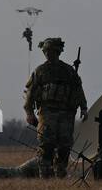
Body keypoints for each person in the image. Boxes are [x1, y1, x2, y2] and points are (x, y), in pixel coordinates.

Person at [23, 37, 88, 178]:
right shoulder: (40, 71)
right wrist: (29, 113)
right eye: (46, 51)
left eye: (51, 51)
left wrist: (83, 107)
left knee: (64, 146)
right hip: (47, 113)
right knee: (46, 145)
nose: (48, 54)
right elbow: (30, 93)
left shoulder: (68, 71)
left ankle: (60, 173)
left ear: (57, 52)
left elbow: (78, 90)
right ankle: (45, 175)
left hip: (66, 114)